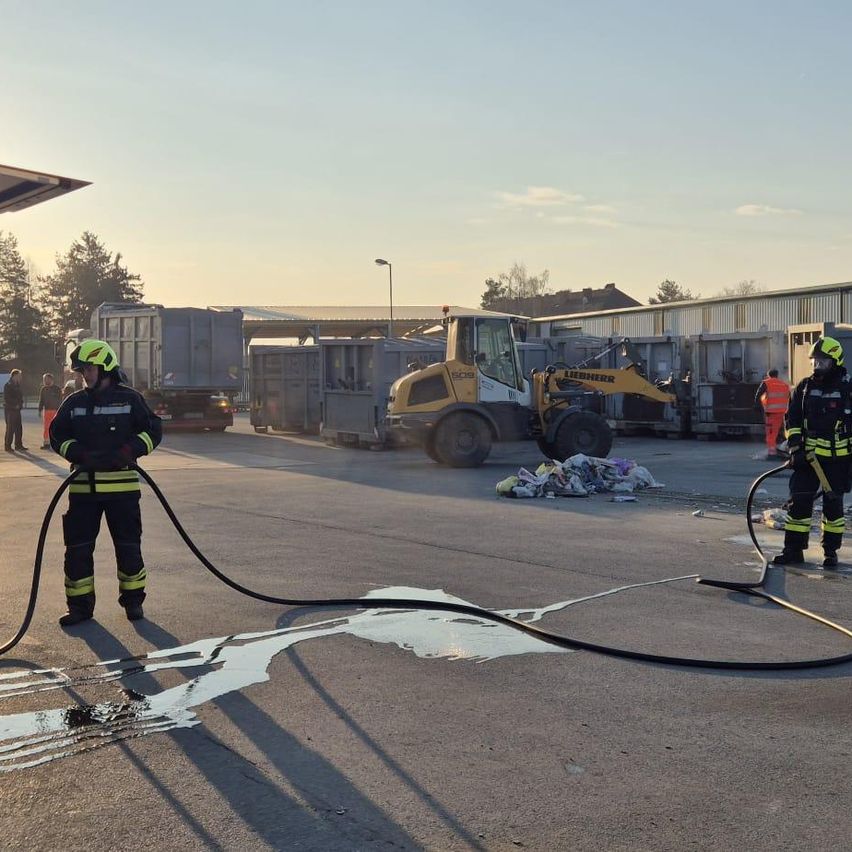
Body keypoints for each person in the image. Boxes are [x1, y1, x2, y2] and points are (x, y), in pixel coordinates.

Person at [50, 339, 162, 626]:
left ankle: (134, 602)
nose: (84, 375)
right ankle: (79, 607)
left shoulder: (130, 400)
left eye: (88, 369)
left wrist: (129, 451)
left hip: (122, 492)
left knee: (128, 547)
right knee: (77, 549)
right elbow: (57, 435)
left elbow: (153, 430)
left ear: (104, 367)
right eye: (81, 371)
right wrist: (78, 453)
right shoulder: (74, 403)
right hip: (83, 491)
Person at [773, 337, 852, 568]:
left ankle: (831, 553)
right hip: (807, 459)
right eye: (815, 362)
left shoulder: (848, 389)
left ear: (835, 361)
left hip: (838, 462)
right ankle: (793, 551)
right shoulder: (804, 387)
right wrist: (795, 448)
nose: (817, 367)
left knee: (834, 509)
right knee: (799, 504)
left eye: (822, 362)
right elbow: (792, 419)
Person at [754, 369, 790, 459]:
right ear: (777, 375)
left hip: (771, 413)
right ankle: (781, 450)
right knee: (780, 432)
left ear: (768, 375)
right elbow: (789, 398)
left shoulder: (767, 382)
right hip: (782, 412)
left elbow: (758, 394)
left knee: (771, 434)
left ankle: (772, 452)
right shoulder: (784, 384)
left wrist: (756, 406)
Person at [3, 368, 26, 452]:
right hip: (10, 410)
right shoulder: (8, 385)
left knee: (18, 428)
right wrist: (15, 404)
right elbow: (7, 398)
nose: (20, 377)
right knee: (10, 429)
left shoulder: (17, 385)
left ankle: (18, 445)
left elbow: (20, 397)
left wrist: (20, 404)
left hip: (17, 409)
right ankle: (7, 446)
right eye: (19, 376)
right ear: (14, 376)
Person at [38, 373, 62, 449]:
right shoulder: (43, 389)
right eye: (44, 379)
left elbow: (60, 400)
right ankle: (46, 443)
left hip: (55, 411)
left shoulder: (57, 389)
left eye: (46, 379)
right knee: (47, 427)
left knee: (56, 427)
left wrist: (60, 410)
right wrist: (40, 410)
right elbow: (41, 400)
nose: (45, 381)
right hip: (47, 411)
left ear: (51, 379)